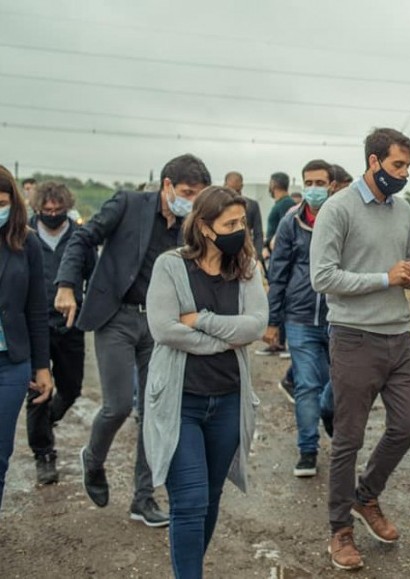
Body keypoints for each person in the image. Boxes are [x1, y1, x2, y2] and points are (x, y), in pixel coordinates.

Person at [55, 153, 211, 526]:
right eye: (187, 192)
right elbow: (82, 239)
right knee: (119, 404)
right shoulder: (128, 203)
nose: (192, 200)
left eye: (199, 195)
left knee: (154, 413)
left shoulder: (191, 225)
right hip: (117, 318)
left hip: (159, 325)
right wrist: (66, 286)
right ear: (167, 185)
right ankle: (92, 460)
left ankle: (143, 499)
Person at [310, 128, 410, 571]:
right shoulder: (338, 209)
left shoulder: (405, 211)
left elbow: (404, 264)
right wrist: (384, 278)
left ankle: (365, 495)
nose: (404, 174)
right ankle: (340, 529)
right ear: (374, 162)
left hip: (399, 337)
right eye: (398, 165)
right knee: (348, 440)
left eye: (408, 166)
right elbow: (322, 277)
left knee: (408, 427)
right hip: (354, 337)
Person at [144, 186, 268, 577]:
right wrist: (226, 339)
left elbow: (256, 325)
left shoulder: (246, 268)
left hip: (228, 401)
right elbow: (164, 329)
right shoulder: (170, 265)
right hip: (181, 402)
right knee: (191, 499)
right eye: (229, 224)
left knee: (211, 496)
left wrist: (202, 321)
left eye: (242, 224)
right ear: (204, 226)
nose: (239, 231)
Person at [266, 159, 334, 477]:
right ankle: (307, 450)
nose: (314, 188)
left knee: (339, 385)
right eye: (309, 182)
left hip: (340, 318)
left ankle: (329, 411)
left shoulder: (343, 220)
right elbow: (278, 273)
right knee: (306, 384)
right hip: (300, 317)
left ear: (331, 185)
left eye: (320, 182)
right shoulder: (290, 223)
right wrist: (273, 320)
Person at [26, 181, 96, 485]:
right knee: (39, 391)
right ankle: (43, 453)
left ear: (66, 208)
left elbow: (93, 275)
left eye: (57, 210)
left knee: (71, 388)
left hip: (70, 324)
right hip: (34, 324)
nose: (52, 214)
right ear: (38, 208)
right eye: (47, 210)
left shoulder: (79, 238)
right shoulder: (24, 234)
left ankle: (46, 423)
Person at [0, 165, 53, 510]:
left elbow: (36, 309)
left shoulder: (26, 242)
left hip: (10, 364)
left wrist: (42, 366)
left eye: (1, 201)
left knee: (0, 453)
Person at [258, 171, 294, 357]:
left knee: (279, 295)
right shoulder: (280, 204)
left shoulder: (286, 204)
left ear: (274, 183)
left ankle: (280, 341)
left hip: (278, 256)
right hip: (272, 255)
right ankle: (276, 342)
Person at [223, 171, 264, 263]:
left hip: (245, 254)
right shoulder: (218, 206)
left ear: (241, 187)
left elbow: (258, 233)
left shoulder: (252, 206)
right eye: (230, 190)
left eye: (237, 190)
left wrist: (257, 256)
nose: (233, 194)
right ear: (224, 186)